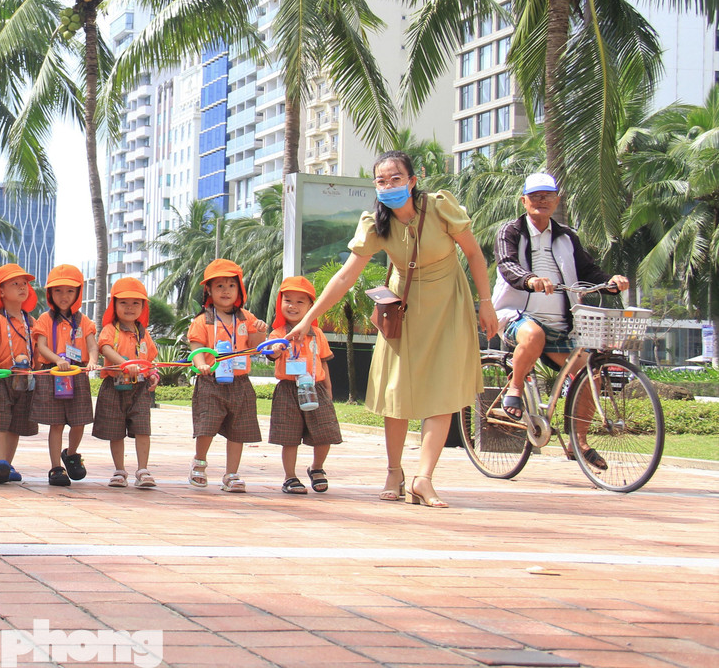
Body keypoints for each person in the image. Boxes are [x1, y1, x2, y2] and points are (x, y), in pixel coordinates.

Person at [288, 151, 497, 509]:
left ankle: (424, 478)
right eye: (381, 181)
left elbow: (475, 254)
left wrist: (486, 301)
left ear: (413, 181)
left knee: (443, 389)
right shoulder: (375, 224)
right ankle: (394, 471)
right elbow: (345, 276)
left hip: (449, 301)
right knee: (398, 391)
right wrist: (309, 319)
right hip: (404, 308)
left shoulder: (441, 207)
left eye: (396, 179)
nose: (389, 186)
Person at [492, 172, 629, 469]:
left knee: (590, 376)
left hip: (561, 326)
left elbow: (588, 272)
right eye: (536, 196)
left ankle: (578, 444)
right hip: (517, 315)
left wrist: (611, 281)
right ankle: (515, 390)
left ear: (557, 199)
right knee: (533, 335)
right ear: (524, 200)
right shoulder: (511, 231)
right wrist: (530, 281)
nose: (542, 201)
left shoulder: (567, 236)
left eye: (548, 196)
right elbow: (507, 265)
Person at [186, 258, 269, 493]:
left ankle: (231, 473)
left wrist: (261, 333)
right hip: (210, 381)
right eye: (219, 286)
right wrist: (201, 365)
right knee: (207, 425)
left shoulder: (247, 318)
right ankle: (199, 463)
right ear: (209, 291)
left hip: (240, 381)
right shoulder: (202, 321)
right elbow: (196, 350)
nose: (226, 291)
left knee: (239, 428)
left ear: (239, 290)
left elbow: (254, 345)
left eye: (231, 285)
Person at [267, 276, 342, 495]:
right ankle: (290, 476)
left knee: (325, 432)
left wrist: (328, 389)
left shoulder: (317, 334)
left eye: (301, 301)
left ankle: (316, 467)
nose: (293, 306)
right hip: (288, 389)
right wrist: (278, 349)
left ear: (311, 306)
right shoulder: (278, 333)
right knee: (289, 436)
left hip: (314, 387)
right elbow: (271, 354)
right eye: (288, 300)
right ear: (280, 304)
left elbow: (324, 362)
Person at [31, 264, 96, 488]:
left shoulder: (84, 321)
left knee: (79, 421)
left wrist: (94, 361)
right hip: (53, 373)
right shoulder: (45, 319)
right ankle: (55, 468)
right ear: (50, 293)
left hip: (77, 373)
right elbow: (41, 346)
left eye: (69, 291)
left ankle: (71, 453)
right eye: (58, 291)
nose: (64, 296)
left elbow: (92, 345)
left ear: (78, 293)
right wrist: (57, 360)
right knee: (56, 423)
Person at [94, 277, 161, 489]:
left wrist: (153, 375)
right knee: (116, 430)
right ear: (114, 305)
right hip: (114, 386)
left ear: (143, 306)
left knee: (142, 428)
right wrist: (125, 364)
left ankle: (143, 469)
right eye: (124, 302)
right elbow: (105, 348)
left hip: (139, 388)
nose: (130, 307)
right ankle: (120, 470)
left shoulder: (144, 333)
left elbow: (150, 359)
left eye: (136, 303)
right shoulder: (109, 329)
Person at [0, 264, 40, 484]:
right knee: (0, 422)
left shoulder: (31, 321)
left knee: (16, 424)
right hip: (1, 377)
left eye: (24, 284)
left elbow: (36, 348)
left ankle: (8, 464)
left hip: (24, 378)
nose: (22, 287)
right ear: (2, 291)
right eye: (14, 284)